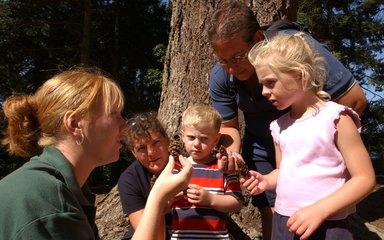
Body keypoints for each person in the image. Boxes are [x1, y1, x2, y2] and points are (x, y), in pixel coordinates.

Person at [207, 2, 368, 239]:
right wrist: (231, 155)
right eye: (223, 60)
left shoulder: (294, 49)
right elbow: (229, 128)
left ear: (257, 39)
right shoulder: (222, 78)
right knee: (275, 215)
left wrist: (321, 152)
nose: (231, 68)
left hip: (315, 151)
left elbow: (355, 99)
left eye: (238, 57)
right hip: (266, 144)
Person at [0, 67, 194, 240]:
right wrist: (158, 197)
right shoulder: (49, 204)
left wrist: (157, 199)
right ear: (75, 124)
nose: (125, 126)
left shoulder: (62, 189)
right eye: (114, 114)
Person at [242, 33, 376, 239]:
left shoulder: (336, 118)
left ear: (301, 75)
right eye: (262, 85)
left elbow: (364, 178)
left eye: (270, 82)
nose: (264, 92)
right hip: (284, 221)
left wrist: (320, 210)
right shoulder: (278, 126)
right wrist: (267, 181)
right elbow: (284, 170)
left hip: (327, 224)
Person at [171, 104, 244, 239]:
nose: (197, 144)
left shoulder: (223, 168)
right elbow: (162, 203)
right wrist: (170, 198)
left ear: (216, 139)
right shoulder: (176, 168)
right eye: (191, 137)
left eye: (204, 138)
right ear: (183, 136)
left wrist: (210, 199)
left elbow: (237, 203)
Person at [118, 112, 173, 239]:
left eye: (156, 142)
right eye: (142, 148)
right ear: (133, 152)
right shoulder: (129, 180)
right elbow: (154, 237)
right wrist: (160, 202)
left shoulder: (186, 167)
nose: (151, 153)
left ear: (167, 140)